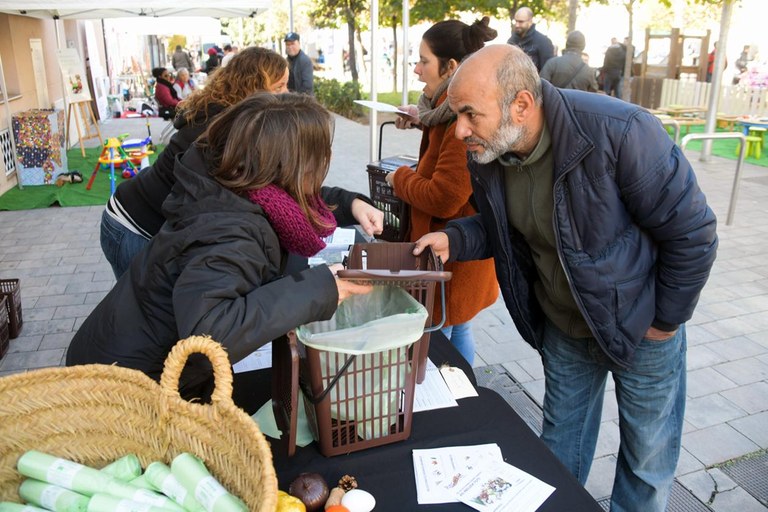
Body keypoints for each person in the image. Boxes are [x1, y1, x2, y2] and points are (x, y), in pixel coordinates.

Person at [415, 44, 718, 511]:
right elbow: (506, 223)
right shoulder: (490, 149)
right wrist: (456, 239)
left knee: (646, 460)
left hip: (642, 329)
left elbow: (693, 232)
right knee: (558, 447)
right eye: (457, 115)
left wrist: (666, 322)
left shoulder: (622, 132)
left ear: (521, 104)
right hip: (564, 326)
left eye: (470, 115)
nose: (459, 131)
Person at [67, 93, 373, 401]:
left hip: (122, 359)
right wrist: (319, 290)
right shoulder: (229, 230)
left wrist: (350, 203)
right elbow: (209, 335)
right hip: (124, 389)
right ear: (293, 166)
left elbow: (299, 200)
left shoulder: (230, 183)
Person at [101, 47, 383, 279]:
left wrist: (352, 203)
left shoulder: (243, 126)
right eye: (280, 86)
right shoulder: (225, 134)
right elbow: (282, 195)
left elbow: (289, 190)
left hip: (156, 225)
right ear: (254, 88)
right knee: (151, 316)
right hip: (134, 226)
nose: (287, 94)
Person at [385, 18, 499, 365]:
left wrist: (400, 178)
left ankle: (453, 397)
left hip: (452, 255)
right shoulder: (444, 111)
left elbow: (445, 197)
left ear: (450, 67)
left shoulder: (457, 122)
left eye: (423, 61)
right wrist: (419, 117)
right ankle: (463, 392)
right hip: (452, 257)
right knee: (457, 324)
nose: (416, 69)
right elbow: (437, 125)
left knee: (441, 337)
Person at [506, 6, 554, 72]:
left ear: (530, 21)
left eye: (521, 22)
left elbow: (547, 71)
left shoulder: (544, 42)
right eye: (516, 21)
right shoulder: (511, 40)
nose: (517, 25)